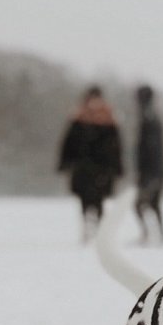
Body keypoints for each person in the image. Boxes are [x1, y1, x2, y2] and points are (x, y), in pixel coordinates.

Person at [58, 86, 123, 241]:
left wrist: (117, 167)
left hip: (102, 169)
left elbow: (116, 147)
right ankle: (87, 228)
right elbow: (68, 143)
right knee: (84, 200)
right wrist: (65, 162)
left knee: (98, 200)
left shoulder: (109, 119)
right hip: (83, 168)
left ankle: (99, 230)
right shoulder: (78, 118)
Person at [134, 85, 163, 244]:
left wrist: (148, 173)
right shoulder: (151, 115)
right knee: (153, 204)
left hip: (152, 172)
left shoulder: (148, 117)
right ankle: (159, 235)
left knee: (141, 204)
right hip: (156, 171)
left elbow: (151, 149)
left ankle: (150, 235)